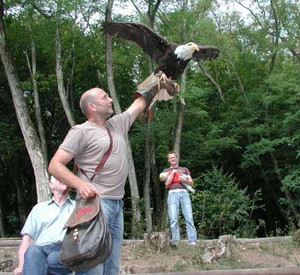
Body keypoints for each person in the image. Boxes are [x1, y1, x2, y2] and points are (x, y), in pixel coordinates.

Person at [48, 79, 177, 275]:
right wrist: (79, 184)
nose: (110, 100)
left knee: (112, 267)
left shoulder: (116, 125)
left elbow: (139, 104)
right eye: (104, 97)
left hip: (116, 205)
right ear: (92, 106)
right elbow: (55, 165)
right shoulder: (80, 131)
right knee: (92, 266)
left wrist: (160, 83)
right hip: (94, 205)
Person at [13, 176, 75, 275]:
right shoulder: (39, 209)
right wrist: (21, 265)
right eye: (59, 176)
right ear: (51, 185)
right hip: (40, 250)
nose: (64, 179)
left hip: (64, 250)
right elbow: (27, 239)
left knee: (47, 261)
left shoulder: (76, 207)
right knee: (33, 251)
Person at [159, 152, 197, 246]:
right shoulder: (166, 171)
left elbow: (191, 183)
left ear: (176, 158)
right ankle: (176, 241)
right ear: (168, 160)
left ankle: (192, 241)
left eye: (174, 157)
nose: (172, 159)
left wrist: (184, 180)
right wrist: (172, 173)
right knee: (173, 219)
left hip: (184, 193)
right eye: (170, 158)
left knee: (189, 217)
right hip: (172, 194)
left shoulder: (184, 169)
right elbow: (167, 184)